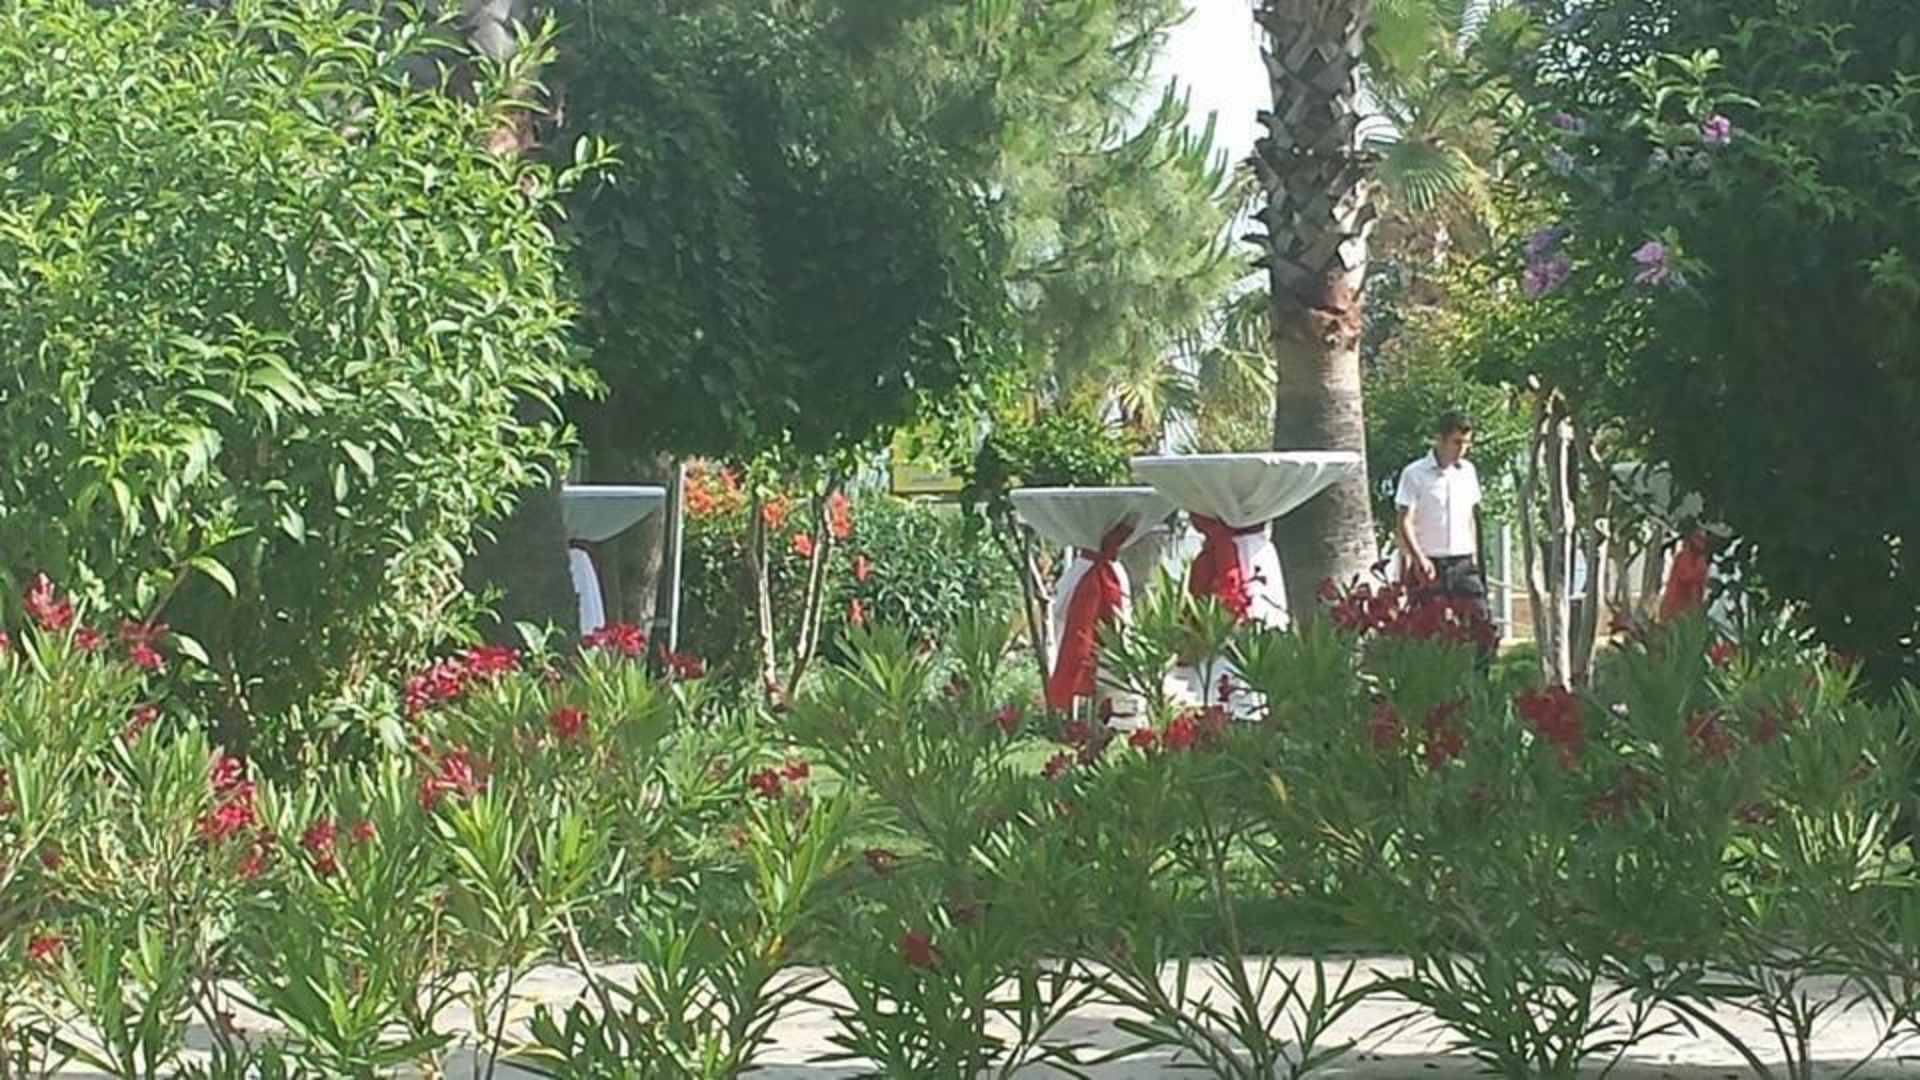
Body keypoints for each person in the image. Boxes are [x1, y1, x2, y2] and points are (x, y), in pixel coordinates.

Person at [1394, 411, 1494, 656]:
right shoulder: (1414, 474)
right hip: (1429, 563)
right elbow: (1404, 520)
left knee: (1481, 624)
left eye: (1466, 443)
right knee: (1426, 631)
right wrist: (1418, 558)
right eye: (1456, 442)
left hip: (1463, 562)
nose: (1462, 449)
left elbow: (1470, 517)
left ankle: (1480, 676)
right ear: (1440, 439)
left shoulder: (1468, 472)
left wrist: (1474, 556)